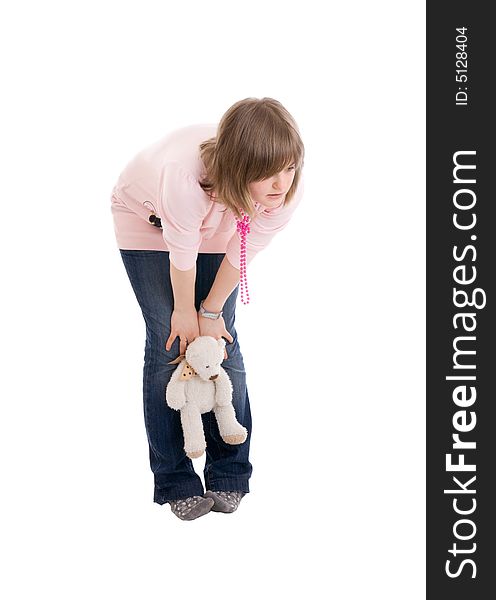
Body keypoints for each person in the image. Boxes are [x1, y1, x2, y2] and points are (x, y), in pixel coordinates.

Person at [110, 97, 305, 520]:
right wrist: (186, 312)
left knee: (221, 346)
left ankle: (229, 474)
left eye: (289, 169)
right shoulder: (183, 177)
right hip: (149, 223)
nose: (282, 184)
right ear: (239, 166)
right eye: (269, 174)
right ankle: (175, 481)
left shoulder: (284, 192)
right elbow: (182, 250)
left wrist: (211, 313)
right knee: (170, 342)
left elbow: (244, 248)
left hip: (224, 218)